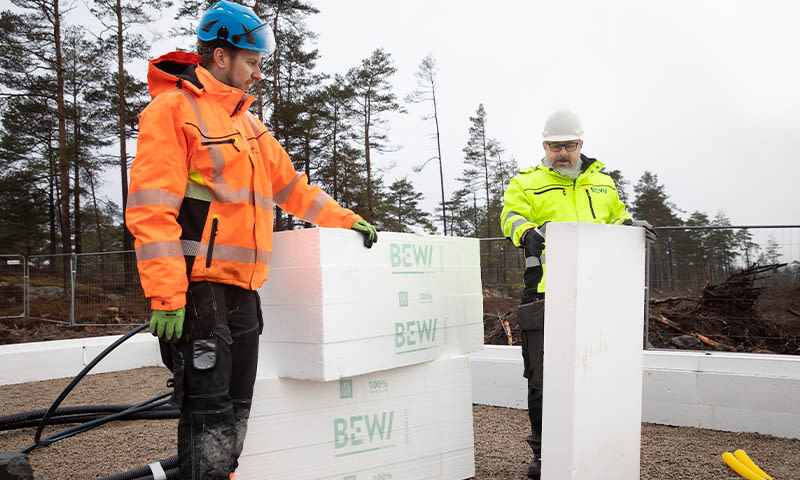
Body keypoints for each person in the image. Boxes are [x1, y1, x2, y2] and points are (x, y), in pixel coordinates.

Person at [125, 2, 378, 478]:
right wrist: (166, 295)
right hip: (197, 288)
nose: (259, 74)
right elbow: (151, 209)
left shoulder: (248, 124)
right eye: (252, 63)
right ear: (221, 56)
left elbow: (292, 187)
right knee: (208, 408)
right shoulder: (172, 111)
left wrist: (346, 220)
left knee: (239, 406)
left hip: (244, 289)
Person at [499, 108, 654, 479]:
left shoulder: (603, 183)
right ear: (544, 146)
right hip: (545, 292)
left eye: (568, 145)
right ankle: (543, 452)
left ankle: (593, 445)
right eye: (555, 146)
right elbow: (510, 216)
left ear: (581, 144)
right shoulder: (526, 182)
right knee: (542, 377)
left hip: (599, 293)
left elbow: (617, 218)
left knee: (596, 370)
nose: (562, 153)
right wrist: (525, 232)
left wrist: (631, 225)